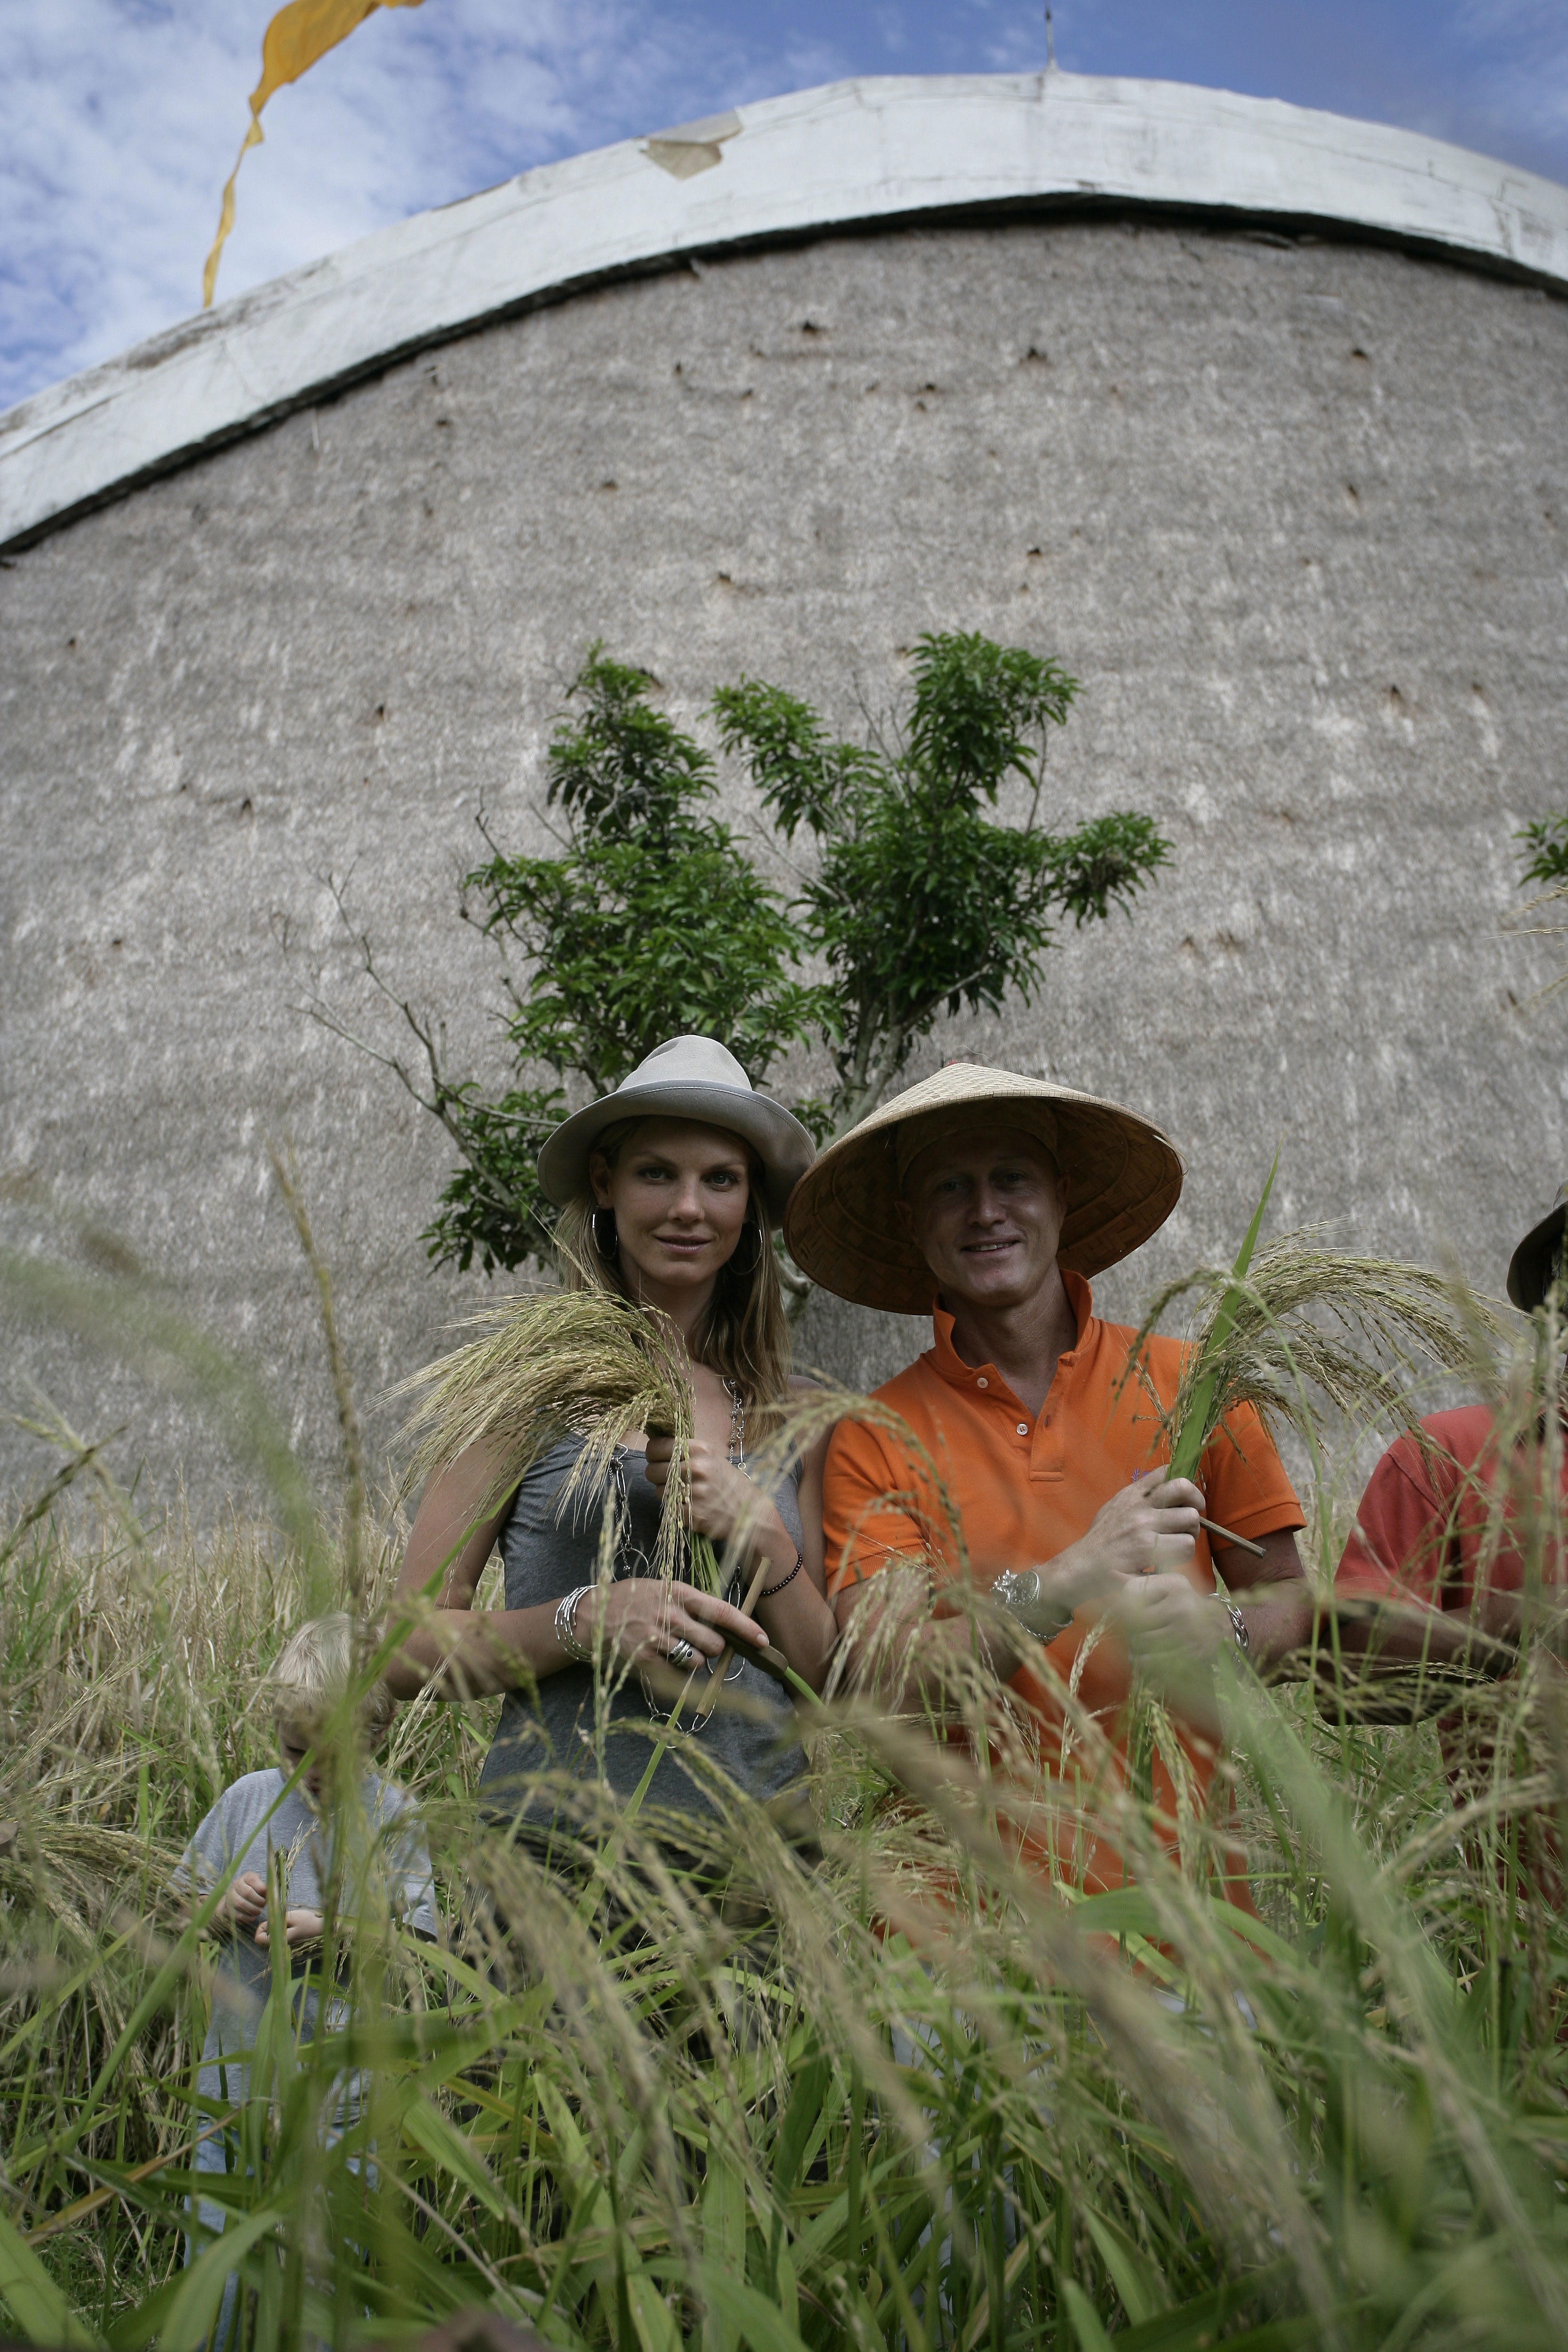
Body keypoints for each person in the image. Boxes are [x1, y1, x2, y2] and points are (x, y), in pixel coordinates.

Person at [783, 1061, 1309, 1906]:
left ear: (1061, 1198)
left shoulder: (1195, 1387)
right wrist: (1063, 1582)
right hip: (966, 1932)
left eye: (1012, 1179)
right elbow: (889, 1676)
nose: (986, 1211)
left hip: (1190, 1915)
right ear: (912, 1221)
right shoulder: (872, 1434)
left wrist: (1230, 1631)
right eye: (951, 1187)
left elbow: (1292, 1600)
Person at [384, 1036, 841, 1848]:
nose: (689, 1207)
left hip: (757, 1874)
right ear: (606, 1182)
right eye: (656, 1173)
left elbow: (827, 1682)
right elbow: (406, 1648)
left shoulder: (797, 1414)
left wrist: (763, 1534)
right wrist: (581, 1621)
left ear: (751, 1204)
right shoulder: (521, 1393)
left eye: (721, 1179)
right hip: (554, 1864)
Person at [175, 1613, 437, 2343]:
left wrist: (337, 1933)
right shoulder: (247, 1800)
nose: (313, 1772)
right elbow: (179, 1907)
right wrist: (220, 1908)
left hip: (342, 2105)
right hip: (231, 2094)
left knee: (328, 2282)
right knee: (218, 2275)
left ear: (379, 1733)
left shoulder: (397, 1818)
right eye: (297, 1750)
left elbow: (420, 1950)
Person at [1331, 1190, 1568, 1798]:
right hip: (1519, 1859)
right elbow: (1345, 1669)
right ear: (1557, 1290)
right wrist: (1525, 1621)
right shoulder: (1447, 1454)